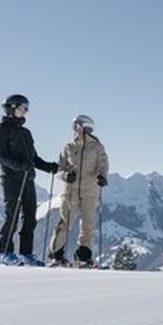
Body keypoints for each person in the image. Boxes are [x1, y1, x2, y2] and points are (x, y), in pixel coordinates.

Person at [0, 94, 59, 266]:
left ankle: (26, 254)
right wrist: (19, 166)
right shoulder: (1, 129)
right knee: (12, 215)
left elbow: (33, 159)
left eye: (27, 109)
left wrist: (49, 166)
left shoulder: (25, 132)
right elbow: (0, 156)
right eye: (23, 108)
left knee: (30, 217)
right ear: (12, 108)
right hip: (11, 179)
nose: (26, 112)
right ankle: (4, 253)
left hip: (27, 179)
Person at [49, 114, 109, 267]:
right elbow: (59, 168)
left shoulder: (97, 147)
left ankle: (83, 257)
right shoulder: (68, 146)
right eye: (74, 126)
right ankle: (56, 255)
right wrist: (65, 175)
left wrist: (102, 176)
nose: (74, 129)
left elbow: (103, 165)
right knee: (65, 222)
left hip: (90, 190)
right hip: (71, 191)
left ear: (86, 127)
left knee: (88, 224)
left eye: (77, 125)